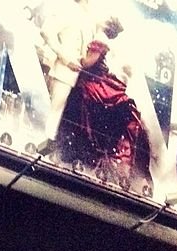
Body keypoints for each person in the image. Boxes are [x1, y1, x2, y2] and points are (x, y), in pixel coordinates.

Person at [57, 16, 150, 189]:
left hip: (92, 85)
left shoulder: (100, 41)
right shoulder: (106, 43)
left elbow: (86, 63)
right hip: (97, 84)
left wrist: (68, 58)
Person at [36, 0, 96, 151]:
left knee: (61, 113)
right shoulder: (68, 9)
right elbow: (46, 31)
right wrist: (66, 58)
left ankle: (48, 147)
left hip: (78, 76)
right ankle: (41, 148)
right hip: (63, 70)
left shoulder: (88, 17)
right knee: (54, 111)